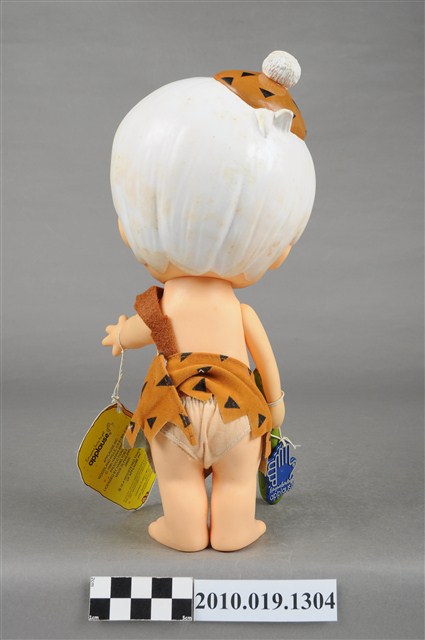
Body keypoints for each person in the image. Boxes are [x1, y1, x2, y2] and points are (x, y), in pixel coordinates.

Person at [102, 51, 315, 552]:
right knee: (237, 480)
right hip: (238, 411)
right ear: (278, 251)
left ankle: (183, 527)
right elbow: (265, 360)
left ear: (131, 228)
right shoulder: (241, 312)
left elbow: (142, 329)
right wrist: (276, 404)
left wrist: (120, 336)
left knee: (178, 479)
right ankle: (235, 526)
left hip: (173, 407)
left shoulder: (167, 301)